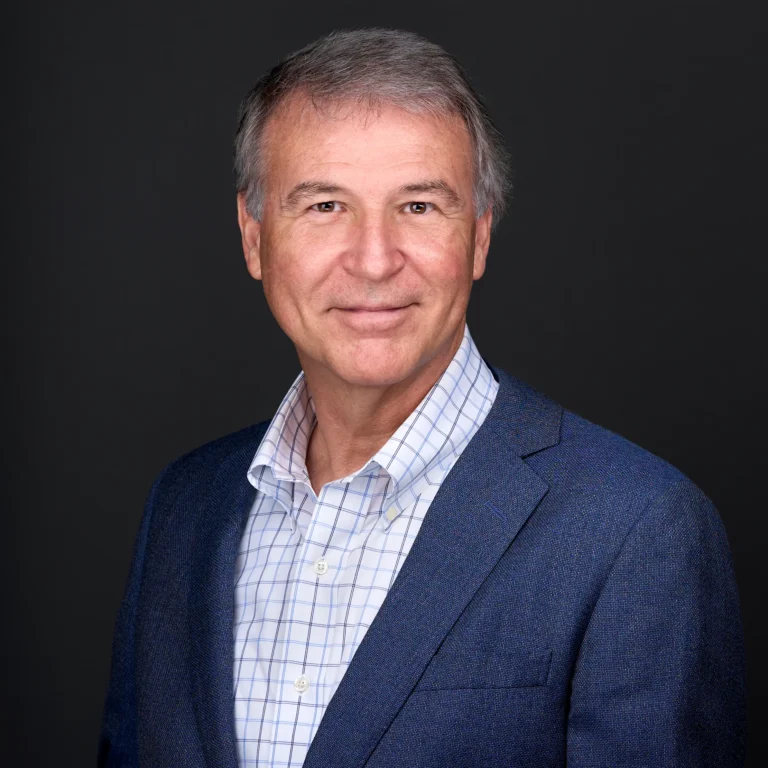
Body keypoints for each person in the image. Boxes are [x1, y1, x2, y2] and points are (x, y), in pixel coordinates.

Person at [98, 27, 747, 768]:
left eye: (418, 207)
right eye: (323, 206)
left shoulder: (636, 530)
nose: (374, 260)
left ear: (478, 236)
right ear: (253, 239)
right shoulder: (184, 507)